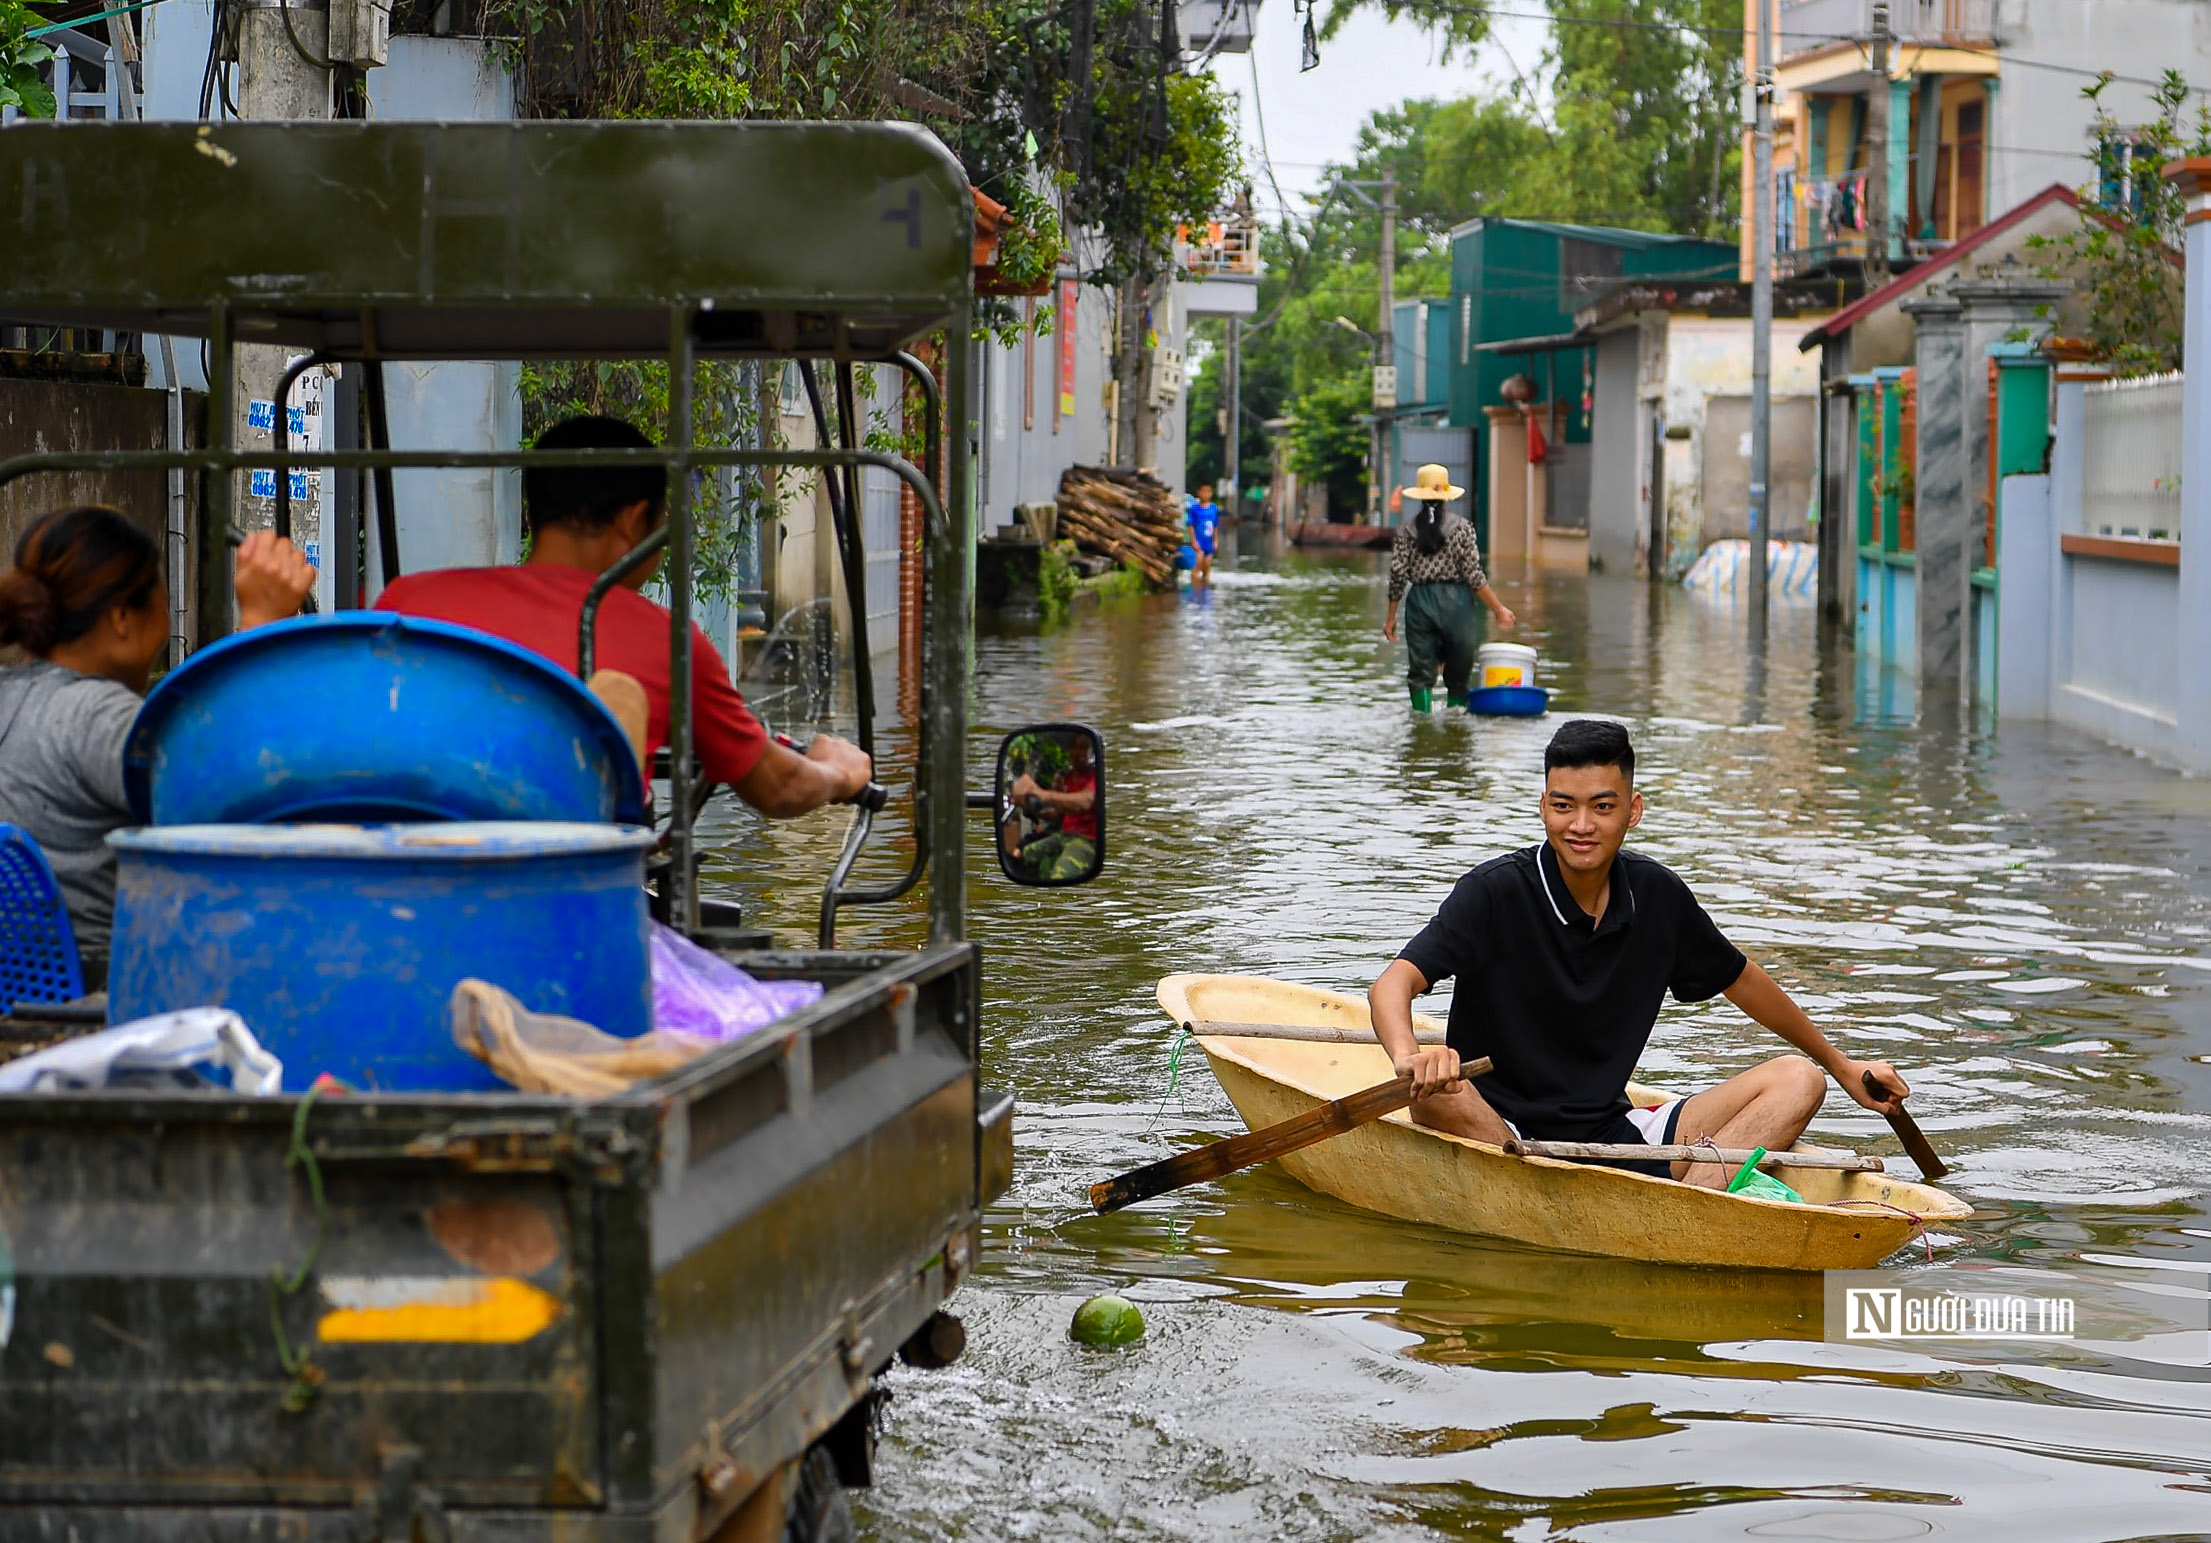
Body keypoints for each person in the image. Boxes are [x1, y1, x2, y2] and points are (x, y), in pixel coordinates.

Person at [1368, 719, 1914, 1188]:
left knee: (1800, 1079)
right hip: (1496, 1128)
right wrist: (1410, 1054)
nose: (1581, 825)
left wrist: (1842, 1067)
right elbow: (1392, 984)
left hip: (1610, 1134)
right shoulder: (1494, 891)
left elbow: (1742, 980)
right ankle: (1542, 1195)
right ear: (1543, 808)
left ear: (1633, 811)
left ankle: (1690, 1209)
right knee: (1438, 1091)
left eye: (1601, 807)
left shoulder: (1657, 896)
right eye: (1565, 806)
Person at [375, 415, 870, 817]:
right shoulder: (668, 641)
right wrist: (837, 772)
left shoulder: (407, 601)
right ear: (634, 520)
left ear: (534, 511)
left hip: (403, 885)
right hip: (571, 909)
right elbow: (779, 787)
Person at [0, 506, 315, 986]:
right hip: (104, 993)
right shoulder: (96, 716)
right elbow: (230, 799)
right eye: (160, 597)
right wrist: (261, 622)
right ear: (123, 616)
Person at [1382, 463, 1515, 713]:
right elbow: (1473, 575)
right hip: (1458, 603)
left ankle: (1421, 725)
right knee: (1459, 669)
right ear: (1447, 497)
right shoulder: (1462, 528)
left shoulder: (1405, 532)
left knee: (1421, 672)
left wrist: (1390, 618)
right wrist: (1497, 609)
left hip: (1419, 603)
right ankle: (1456, 721)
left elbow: (1398, 575)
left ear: (1420, 496)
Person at [1007, 735, 1098, 880]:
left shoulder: (1094, 776)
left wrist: (1039, 793)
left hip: (1086, 839)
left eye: (1083, 747)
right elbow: (1056, 814)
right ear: (1069, 751)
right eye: (1075, 747)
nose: (1079, 752)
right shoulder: (1066, 777)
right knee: (1023, 853)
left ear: (1090, 751)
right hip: (1063, 835)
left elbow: (1085, 801)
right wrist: (1030, 806)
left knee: (1059, 875)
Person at [1187, 482, 1222, 588]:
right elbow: (1191, 525)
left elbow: (1215, 525)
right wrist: (1193, 541)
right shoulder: (1194, 508)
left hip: (1209, 542)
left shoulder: (1214, 508)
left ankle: (1205, 587)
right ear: (1198, 493)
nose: (1205, 494)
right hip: (1199, 541)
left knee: (1207, 566)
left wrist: (1216, 541)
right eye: (1203, 491)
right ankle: (1195, 587)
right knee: (1198, 564)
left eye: (1208, 491)